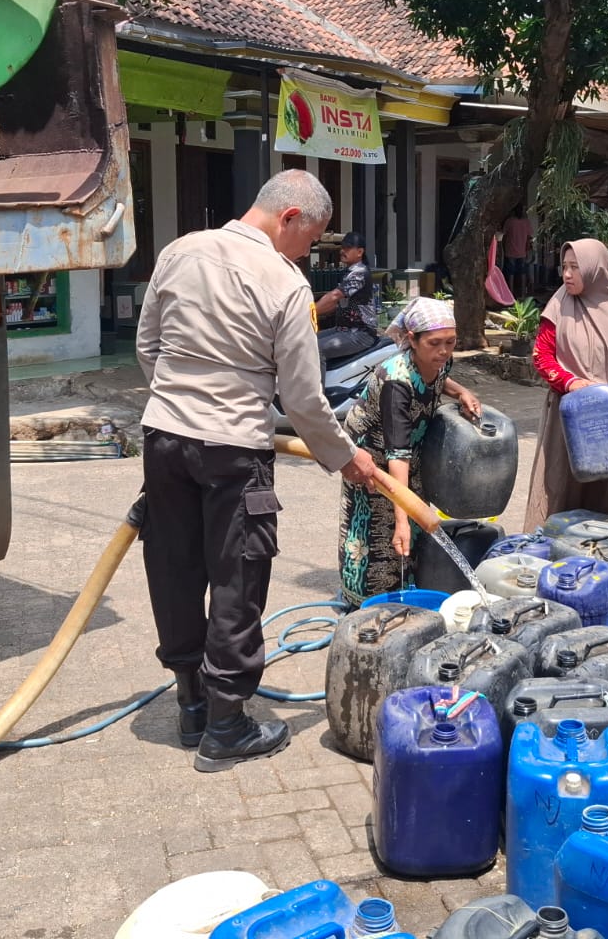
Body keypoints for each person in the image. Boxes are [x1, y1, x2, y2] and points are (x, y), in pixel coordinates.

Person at [137, 170, 378, 773]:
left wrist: (179, 403)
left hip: (164, 436)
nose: (308, 253)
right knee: (237, 577)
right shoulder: (284, 281)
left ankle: (191, 703)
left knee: (173, 564)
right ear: (289, 216)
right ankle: (225, 726)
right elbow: (301, 397)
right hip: (234, 450)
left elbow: (148, 347)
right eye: (310, 239)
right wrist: (346, 458)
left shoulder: (178, 251)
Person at [337, 299, 483, 606]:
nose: (443, 351)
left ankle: (408, 588)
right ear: (412, 340)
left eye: (450, 342)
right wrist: (401, 519)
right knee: (378, 525)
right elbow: (396, 456)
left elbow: (440, 379)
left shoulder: (439, 360)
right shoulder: (397, 383)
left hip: (406, 450)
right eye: (434, 344)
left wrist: (462, 392)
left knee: (414, 518)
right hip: (372, 458)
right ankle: (363, 601)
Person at [525, 238, 608, 531]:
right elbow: (542, 356)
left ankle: (607, 552)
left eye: (575, 267)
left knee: (607, 488)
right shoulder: (559, 305)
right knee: (560, 482)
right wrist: (569, 382)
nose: (567, 275)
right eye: (564, 267)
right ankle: (552, 549)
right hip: (567, 412)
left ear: (595, 269)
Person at [314, 230, 379, 361]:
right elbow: (335, 303)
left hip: (361, 333)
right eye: (342, 247)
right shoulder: (349, 272)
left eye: (348, 248)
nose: (343, 251)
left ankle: (317, 383)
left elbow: (334, 296)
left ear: (360, 252)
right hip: (343, 329)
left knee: (314, 349)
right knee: (304, 341)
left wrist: (308, 311)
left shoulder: (359, 273)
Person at [502, 203, 535, 298]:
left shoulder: (509, 222)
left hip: (510, 252)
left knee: (510, 273)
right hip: (522, 252)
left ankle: (511, 293)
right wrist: (530, 249)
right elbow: (530, 237)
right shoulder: (526, 222)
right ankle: (523, 294)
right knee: (523, 273)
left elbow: (503, 234)